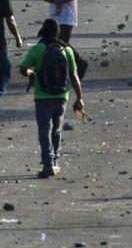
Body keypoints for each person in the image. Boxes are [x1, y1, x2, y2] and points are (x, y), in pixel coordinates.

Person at [18, 18, 84, 179]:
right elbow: (74, 75)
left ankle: (47, 164)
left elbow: (23, 69)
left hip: (42, 96)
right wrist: (79, 98)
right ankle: (54, 161)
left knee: (44, 129)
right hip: (62, 95)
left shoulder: (38, 49)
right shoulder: (66, 50)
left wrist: (31, 74)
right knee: (57, 129)